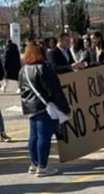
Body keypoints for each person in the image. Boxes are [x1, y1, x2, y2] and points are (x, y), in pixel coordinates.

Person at [18, 41, 70, 176]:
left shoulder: (23, 70)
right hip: (44, 107)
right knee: (44, 137)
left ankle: (34, 164)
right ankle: (43, 166)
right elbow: (54, 90)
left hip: (30, 107)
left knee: (33, 136)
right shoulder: (43, 68)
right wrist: (65, 108)